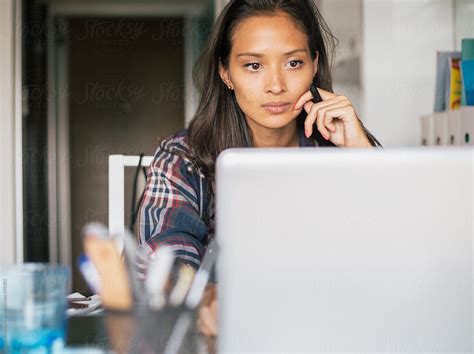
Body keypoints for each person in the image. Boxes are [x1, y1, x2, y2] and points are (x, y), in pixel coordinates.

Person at [138, 0, 382, 340]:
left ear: (314, 65)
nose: (276, 85)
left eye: (294, 62)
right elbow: (169, 258)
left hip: (333, 333)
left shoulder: (344, 147)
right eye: (253, 66)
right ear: (225, 73)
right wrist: (205, 300)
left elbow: (403, 255)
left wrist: (363, 157)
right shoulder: (183, 157)